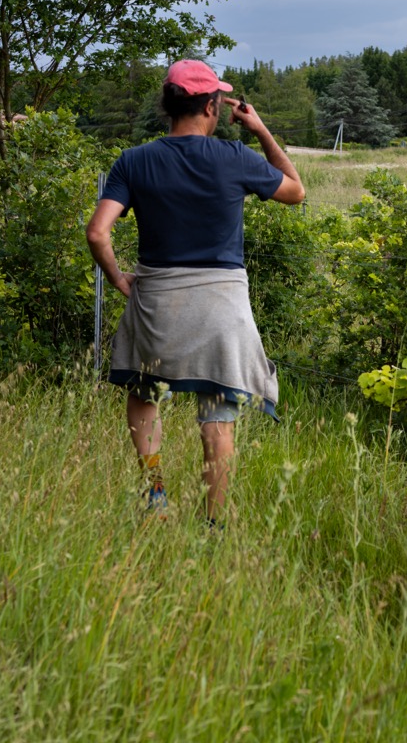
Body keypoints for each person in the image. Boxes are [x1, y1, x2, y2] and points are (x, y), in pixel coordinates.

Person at [86, 59, 305, 524]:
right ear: (211, 105)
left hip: (157, 304)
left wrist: (120, 279)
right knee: (217, 415)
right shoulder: (234, 157)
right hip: (221, 309)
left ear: (169, 105)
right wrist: (261, 130)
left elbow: (97, 234)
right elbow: (295, 192)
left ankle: (156, 495)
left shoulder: (134, 160)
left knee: (144, 396)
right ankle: (214, 525)